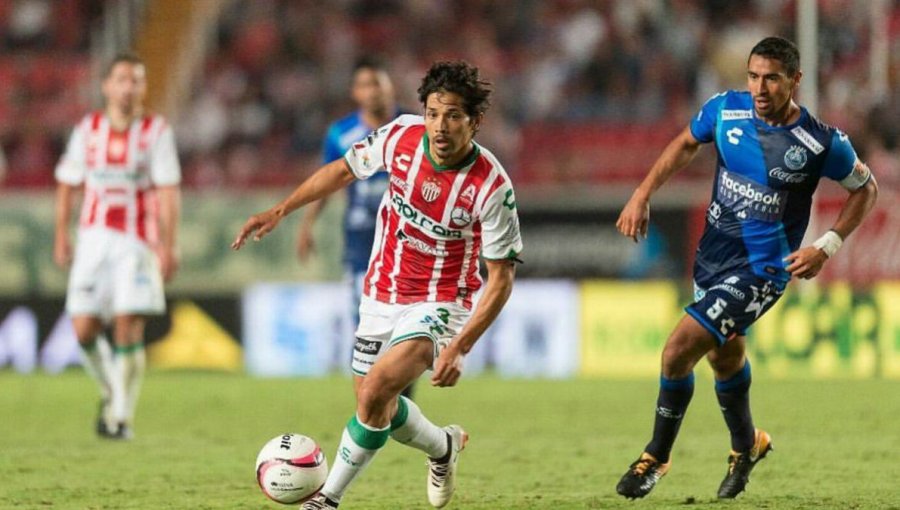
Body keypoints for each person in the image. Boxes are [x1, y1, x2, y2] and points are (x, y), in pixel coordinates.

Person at [233, 60, 522, 509]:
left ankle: (327, 499)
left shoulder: (491, 188)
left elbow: (501, 278)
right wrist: (281, 209)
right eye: (432, 113)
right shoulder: (401, 136)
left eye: (453, 116)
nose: (439, 126)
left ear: (475, 121)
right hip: (380, 292)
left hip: (441, 300)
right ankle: (443, 447)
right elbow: (344, 170)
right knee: (376, 408)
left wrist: (461, 346)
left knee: (374, 393)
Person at [614, 36, 878, 500]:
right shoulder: (725, 110)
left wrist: (828, 244)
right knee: (724, 355)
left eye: (772, 78)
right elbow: (684, 144)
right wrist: (642, 194)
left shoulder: (820, 141)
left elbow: (866, 188)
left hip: (763, 270)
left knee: (678, 350)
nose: (760, 87)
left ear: (795, 80)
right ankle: (747, 445)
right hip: (713, 257)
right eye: (753, 76)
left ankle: (656, 455)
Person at [54, 53, 181, 440]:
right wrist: (61, 233)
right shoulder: (88, 129)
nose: (129, 87)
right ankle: (112, 391)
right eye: (122, 79)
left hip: (137, 241)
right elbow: (68, 182)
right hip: (93, 240)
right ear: (107, 86)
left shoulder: (156, 132)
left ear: (143, 87)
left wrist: (168, 245)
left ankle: (121, 416)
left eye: (137, 80)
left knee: (128, 323)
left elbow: (167, 190)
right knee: (83, 327)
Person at [296, 57, 413, 399]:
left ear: (391, 86)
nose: (374, 91)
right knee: (367, 327)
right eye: (366, 84)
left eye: (379, 82)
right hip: (362, 244)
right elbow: (330, 179)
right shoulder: (341, 133)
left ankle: (400, 403)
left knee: (406, 329)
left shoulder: (412, 126)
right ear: (355, 92)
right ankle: (373, 404)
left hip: (409, 242)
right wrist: (307, 224)